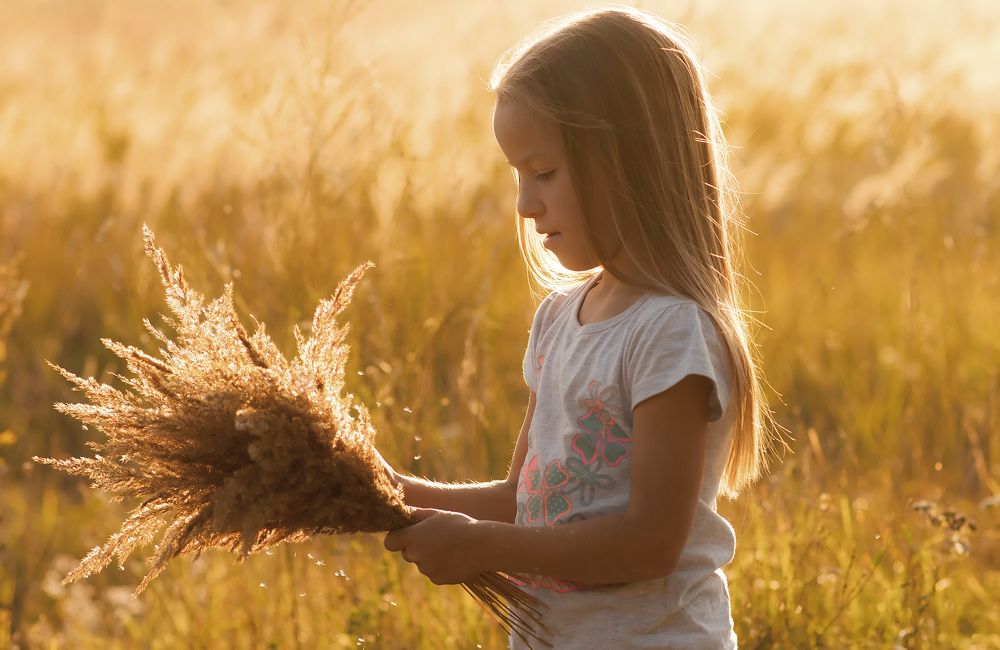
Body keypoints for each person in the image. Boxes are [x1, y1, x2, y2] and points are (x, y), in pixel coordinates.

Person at [380, 6, 780, 648]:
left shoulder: (670, 333)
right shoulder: (558, 320)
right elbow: (525, 500)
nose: (524, 203)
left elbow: (648, 544)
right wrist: (389, 490)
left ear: (631, 161)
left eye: (544, 173)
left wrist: (479, 545)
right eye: (517, 175)